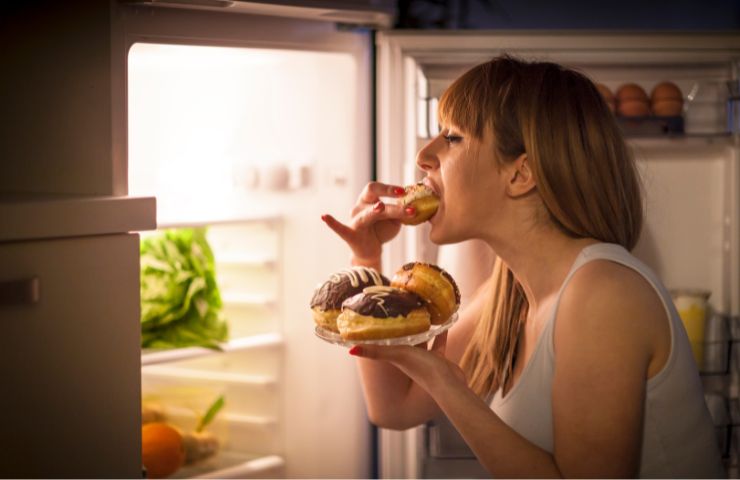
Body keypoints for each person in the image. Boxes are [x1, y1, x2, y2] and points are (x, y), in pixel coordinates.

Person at [321, 54, 724, 478]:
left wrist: (446, 384)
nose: (425, 155)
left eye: (452, 137)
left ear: (521, 174)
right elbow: (394, 407)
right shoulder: (509, 294)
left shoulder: (603, 293)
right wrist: (366, 259)